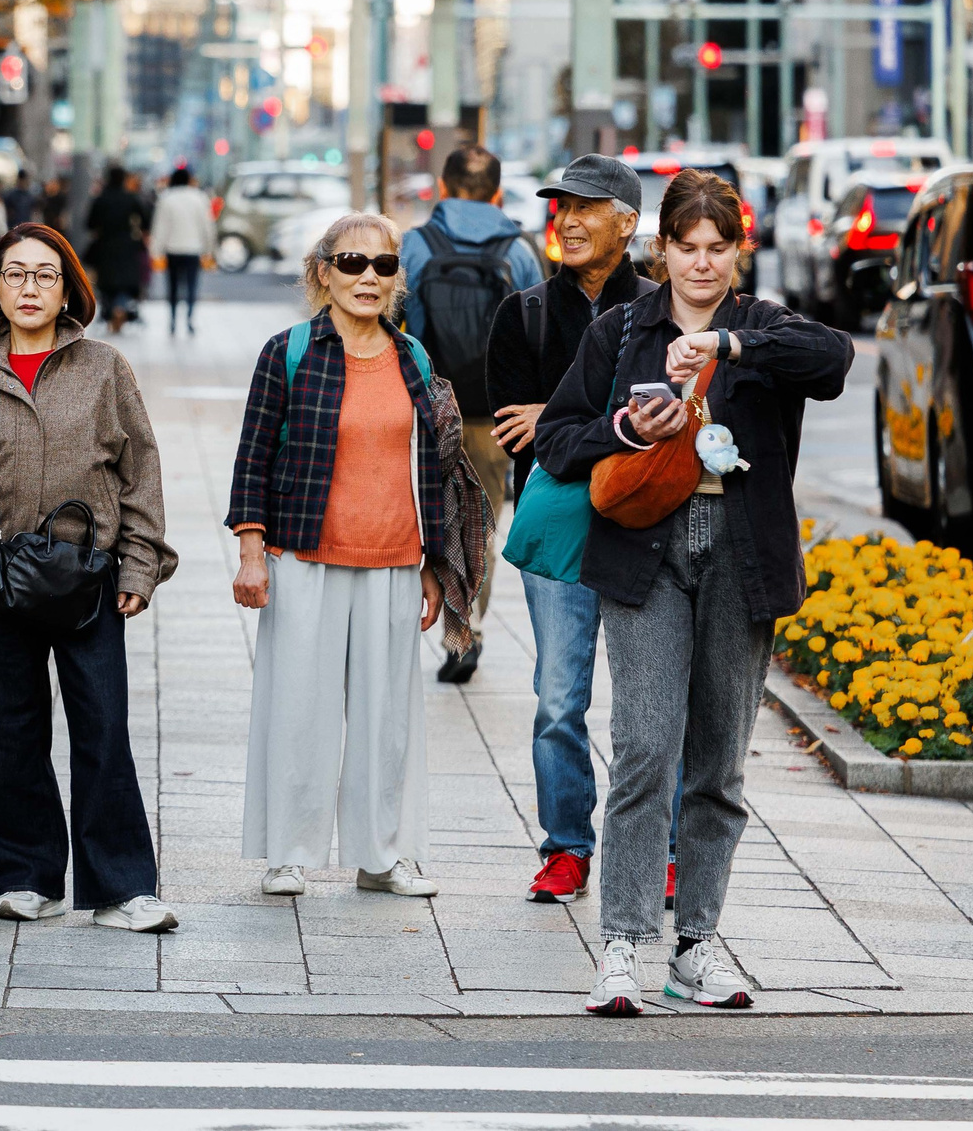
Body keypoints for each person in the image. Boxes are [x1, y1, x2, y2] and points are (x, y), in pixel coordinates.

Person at [532, 169, 851, 1015]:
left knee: (718, 764)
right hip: (646, 556)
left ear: (739, 251)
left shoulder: (763, 327)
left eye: (719, 249)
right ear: (661, 249)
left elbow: (834, 362)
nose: (702, 265)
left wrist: (728, 350)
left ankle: (696, 944)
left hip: (741, 560)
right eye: (687, 248)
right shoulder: (622, 329)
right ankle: (623, 944)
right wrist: (629, 427)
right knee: (644, 748)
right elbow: (559, 441)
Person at [0, 222, 178, 931]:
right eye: (16, 275)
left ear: (67, 288)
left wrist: (140, 563)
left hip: (86, 578)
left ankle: (123, 887)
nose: (29, 288)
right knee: (7, 730)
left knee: (102, 725)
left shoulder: (102, 367)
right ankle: (29, 876)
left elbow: (140, 472)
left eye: (45, 275)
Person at [225, 213, 487, 902]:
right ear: (323, 273)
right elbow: (252, 459)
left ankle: (383, 855)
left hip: (396, 560)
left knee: (387, 719)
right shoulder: (289, 352)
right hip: (304, 554)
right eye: (351, 263)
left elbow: (430, 468)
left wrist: (434, 563)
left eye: (382, 265)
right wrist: (252, 553)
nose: (367, 277)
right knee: (298, 709)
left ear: (398, 277)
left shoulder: (414, 359)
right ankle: (289, 852)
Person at [483, 153, 654, 906]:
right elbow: (519, 436)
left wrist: (558, 415)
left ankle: (666, 851)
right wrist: (589, 422)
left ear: (628, 223)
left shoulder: (661, 306)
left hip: (648, 522)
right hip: (558, 533)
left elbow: (666, 414)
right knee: (559, 698)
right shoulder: (520, 313)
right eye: (563, 208)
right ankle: (566, 848)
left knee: (656, 701)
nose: (570, 221)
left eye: (587, 208)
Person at [399, 146, 542, 683]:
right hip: (492, 413)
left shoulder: (415, 245)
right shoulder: (520, 251)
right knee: (479, 521)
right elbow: (535, 335)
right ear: (498, 192)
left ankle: (407, 613)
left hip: (423, 409)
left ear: (443, 185)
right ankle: (466, 629)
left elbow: (393, 323)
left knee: (417, 512)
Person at [149, 167, 216, 335]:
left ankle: (172, 320)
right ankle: (189, 319)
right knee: (192, 286)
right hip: (193, 250)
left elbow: (160, 227)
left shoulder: (166, 198)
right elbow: (207, 226)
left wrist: (156, 250)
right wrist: (209, 248)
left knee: (172, 287)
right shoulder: (200, 197)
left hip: (173, 250)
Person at [84, 166, 149, 332]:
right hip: (127, 245)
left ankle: (110, 310)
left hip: (105, 245)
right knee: (125, 280)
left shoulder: (101, 199)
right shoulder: (131, 198)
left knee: (106, 281)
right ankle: (120, 307)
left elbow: (89, 223)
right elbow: (146, 220)